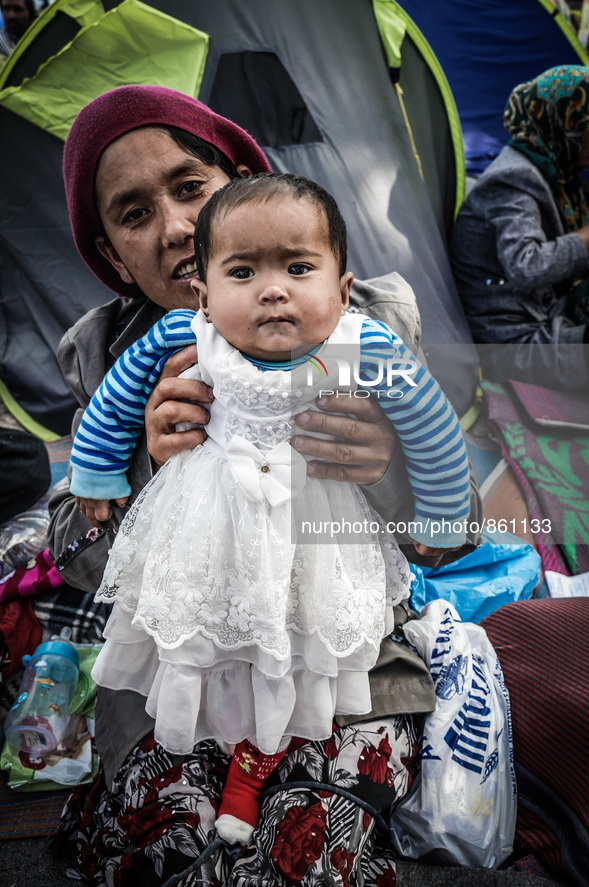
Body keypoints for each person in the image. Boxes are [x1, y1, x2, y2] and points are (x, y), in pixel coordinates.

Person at [49, 85, 481, 885]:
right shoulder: (112, 352)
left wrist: (387, 467)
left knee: (300, 854)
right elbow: (72, 559)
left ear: (245, 179)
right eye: (134, 214)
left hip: (344, 666)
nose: (177, 227)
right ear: (111, 254)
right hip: (177, 677)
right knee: (169, 840)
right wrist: (143, 468)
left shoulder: (366, 327)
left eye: (190, 187)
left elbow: (450, 534)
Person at [450, 65, 589, 390]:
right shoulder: (515, 178)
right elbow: (526, 265)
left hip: (544, 317)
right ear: (564, 122)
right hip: (512, 342)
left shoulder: (557, 171)